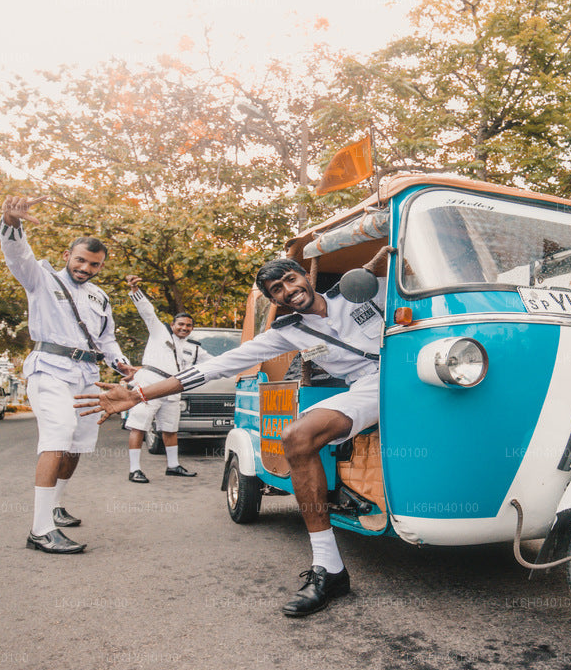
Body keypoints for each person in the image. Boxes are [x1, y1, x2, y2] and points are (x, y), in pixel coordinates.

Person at [75, 251, 390, 616]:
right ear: (274, 301)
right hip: (369, 388)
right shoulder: (288, 332)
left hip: (429, 367)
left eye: (290, 280)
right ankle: (329, 568)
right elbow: (215, 368)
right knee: (296, 437)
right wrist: (140, 394)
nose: (288, 290)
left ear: (304, 276)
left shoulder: (362, 290)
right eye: (277, 290)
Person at [0, 195, 137, 554]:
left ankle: (56, 507)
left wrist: (120, 362)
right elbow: (18, 256)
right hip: (50, 369)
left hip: (86, 374)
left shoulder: (100, 298)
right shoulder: (41, 279)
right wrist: (13, 223)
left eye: (94, 264)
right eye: (80, 260)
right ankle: (40, 530)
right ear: (67, 256)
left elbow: (107, 339)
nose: (86, 268)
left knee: (77, 445)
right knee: (58, 435)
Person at [123, 275, 211, 482]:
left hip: (173, 389)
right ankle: (134, 469)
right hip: (149, 384)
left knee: (170, 429)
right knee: (139, 426)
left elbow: (219, 362)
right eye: (180, 324)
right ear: (172, 325)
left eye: (189, 325)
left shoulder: (195, 349)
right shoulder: (158, 333)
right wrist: (135, 289)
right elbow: (147, 311)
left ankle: (173, 465)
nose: (184, 328)